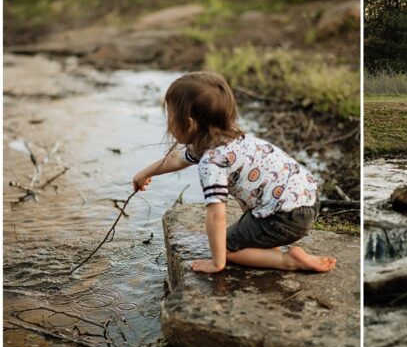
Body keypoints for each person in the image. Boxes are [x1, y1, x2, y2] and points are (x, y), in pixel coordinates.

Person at [132, 71, 336, 275]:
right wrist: (144, 173)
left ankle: (287, 260)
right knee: (246, 228)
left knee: (226, 246)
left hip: (286, 217)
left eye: (170, 117)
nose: (168, 123)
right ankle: (269, 247)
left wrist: (217, 261)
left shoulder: (212, 161)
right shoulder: (232, 138)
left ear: (189, 123)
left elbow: (216, 216)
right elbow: (177, 158)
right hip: (308, 200)